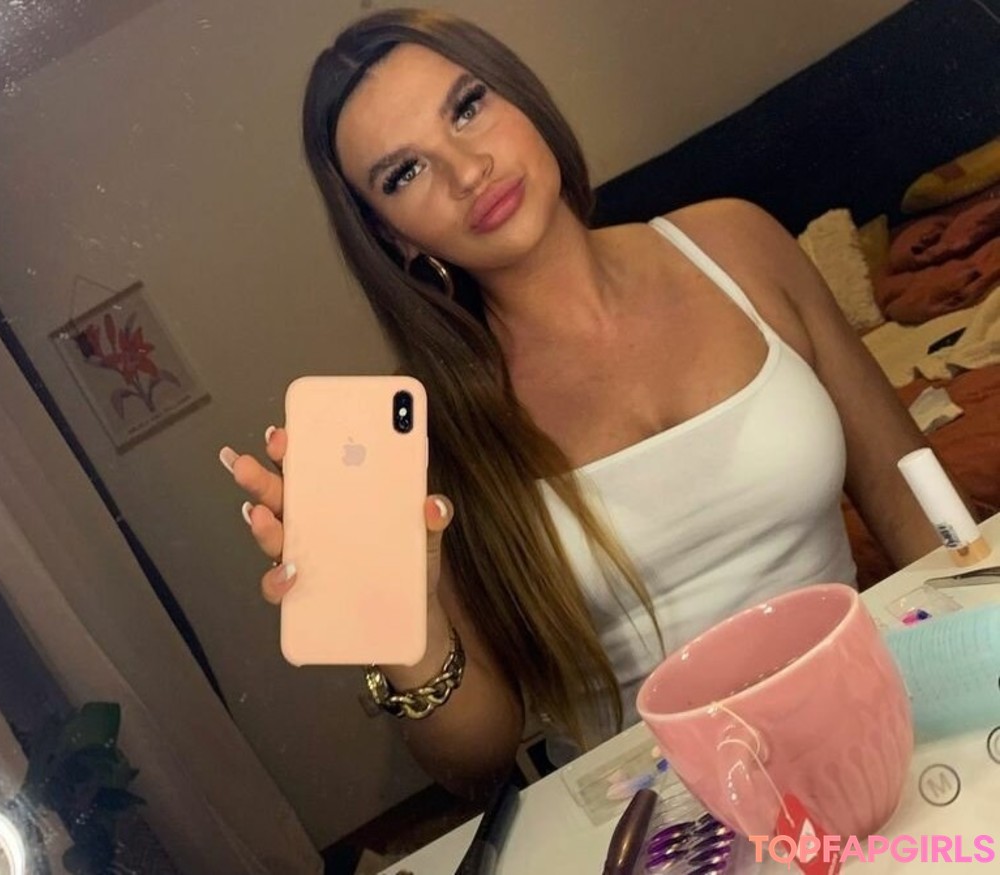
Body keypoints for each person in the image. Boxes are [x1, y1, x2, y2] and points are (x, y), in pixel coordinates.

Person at [219, 8, 941, 799]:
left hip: (869, 730)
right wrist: (403, 630)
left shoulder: (735, 242)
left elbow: (914, 501)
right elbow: (477, 758)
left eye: (468, 106)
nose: (467, 170)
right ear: (392, 237)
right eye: (405, 173)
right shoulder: (432, 432)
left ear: (522, 97)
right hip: (665, 819)